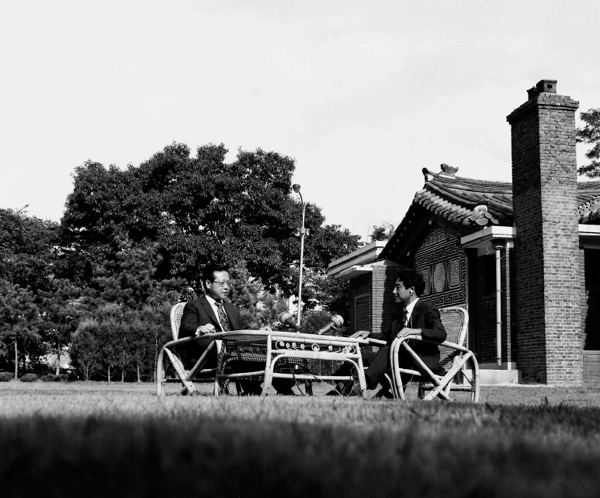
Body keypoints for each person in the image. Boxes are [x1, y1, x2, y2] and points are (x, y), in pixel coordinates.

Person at [327, 266, 446, 398]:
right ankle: (338, 386)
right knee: (361, 354)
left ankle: (363, 385)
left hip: (422, 361)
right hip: (398, 358)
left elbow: (440, 334)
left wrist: (416, 331)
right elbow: (387, 336)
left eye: (398, 287)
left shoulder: (427, 309)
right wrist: (368, 334)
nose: (394, 291)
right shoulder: (399, 314)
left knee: (387, 350)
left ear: (411, 290)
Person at [178, 263, 293, 395]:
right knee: (244, 354)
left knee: (272, 351)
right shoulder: (194, 306)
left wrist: (258, 332)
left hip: (234, 351)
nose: (226, 287)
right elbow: (186, 326)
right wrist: (200, 328)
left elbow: (240, 329)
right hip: (207, 354)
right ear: (208, 284)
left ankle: (284, 389)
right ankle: (253, 390)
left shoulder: (231, 308)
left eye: (228, 283)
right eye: (221, 283)